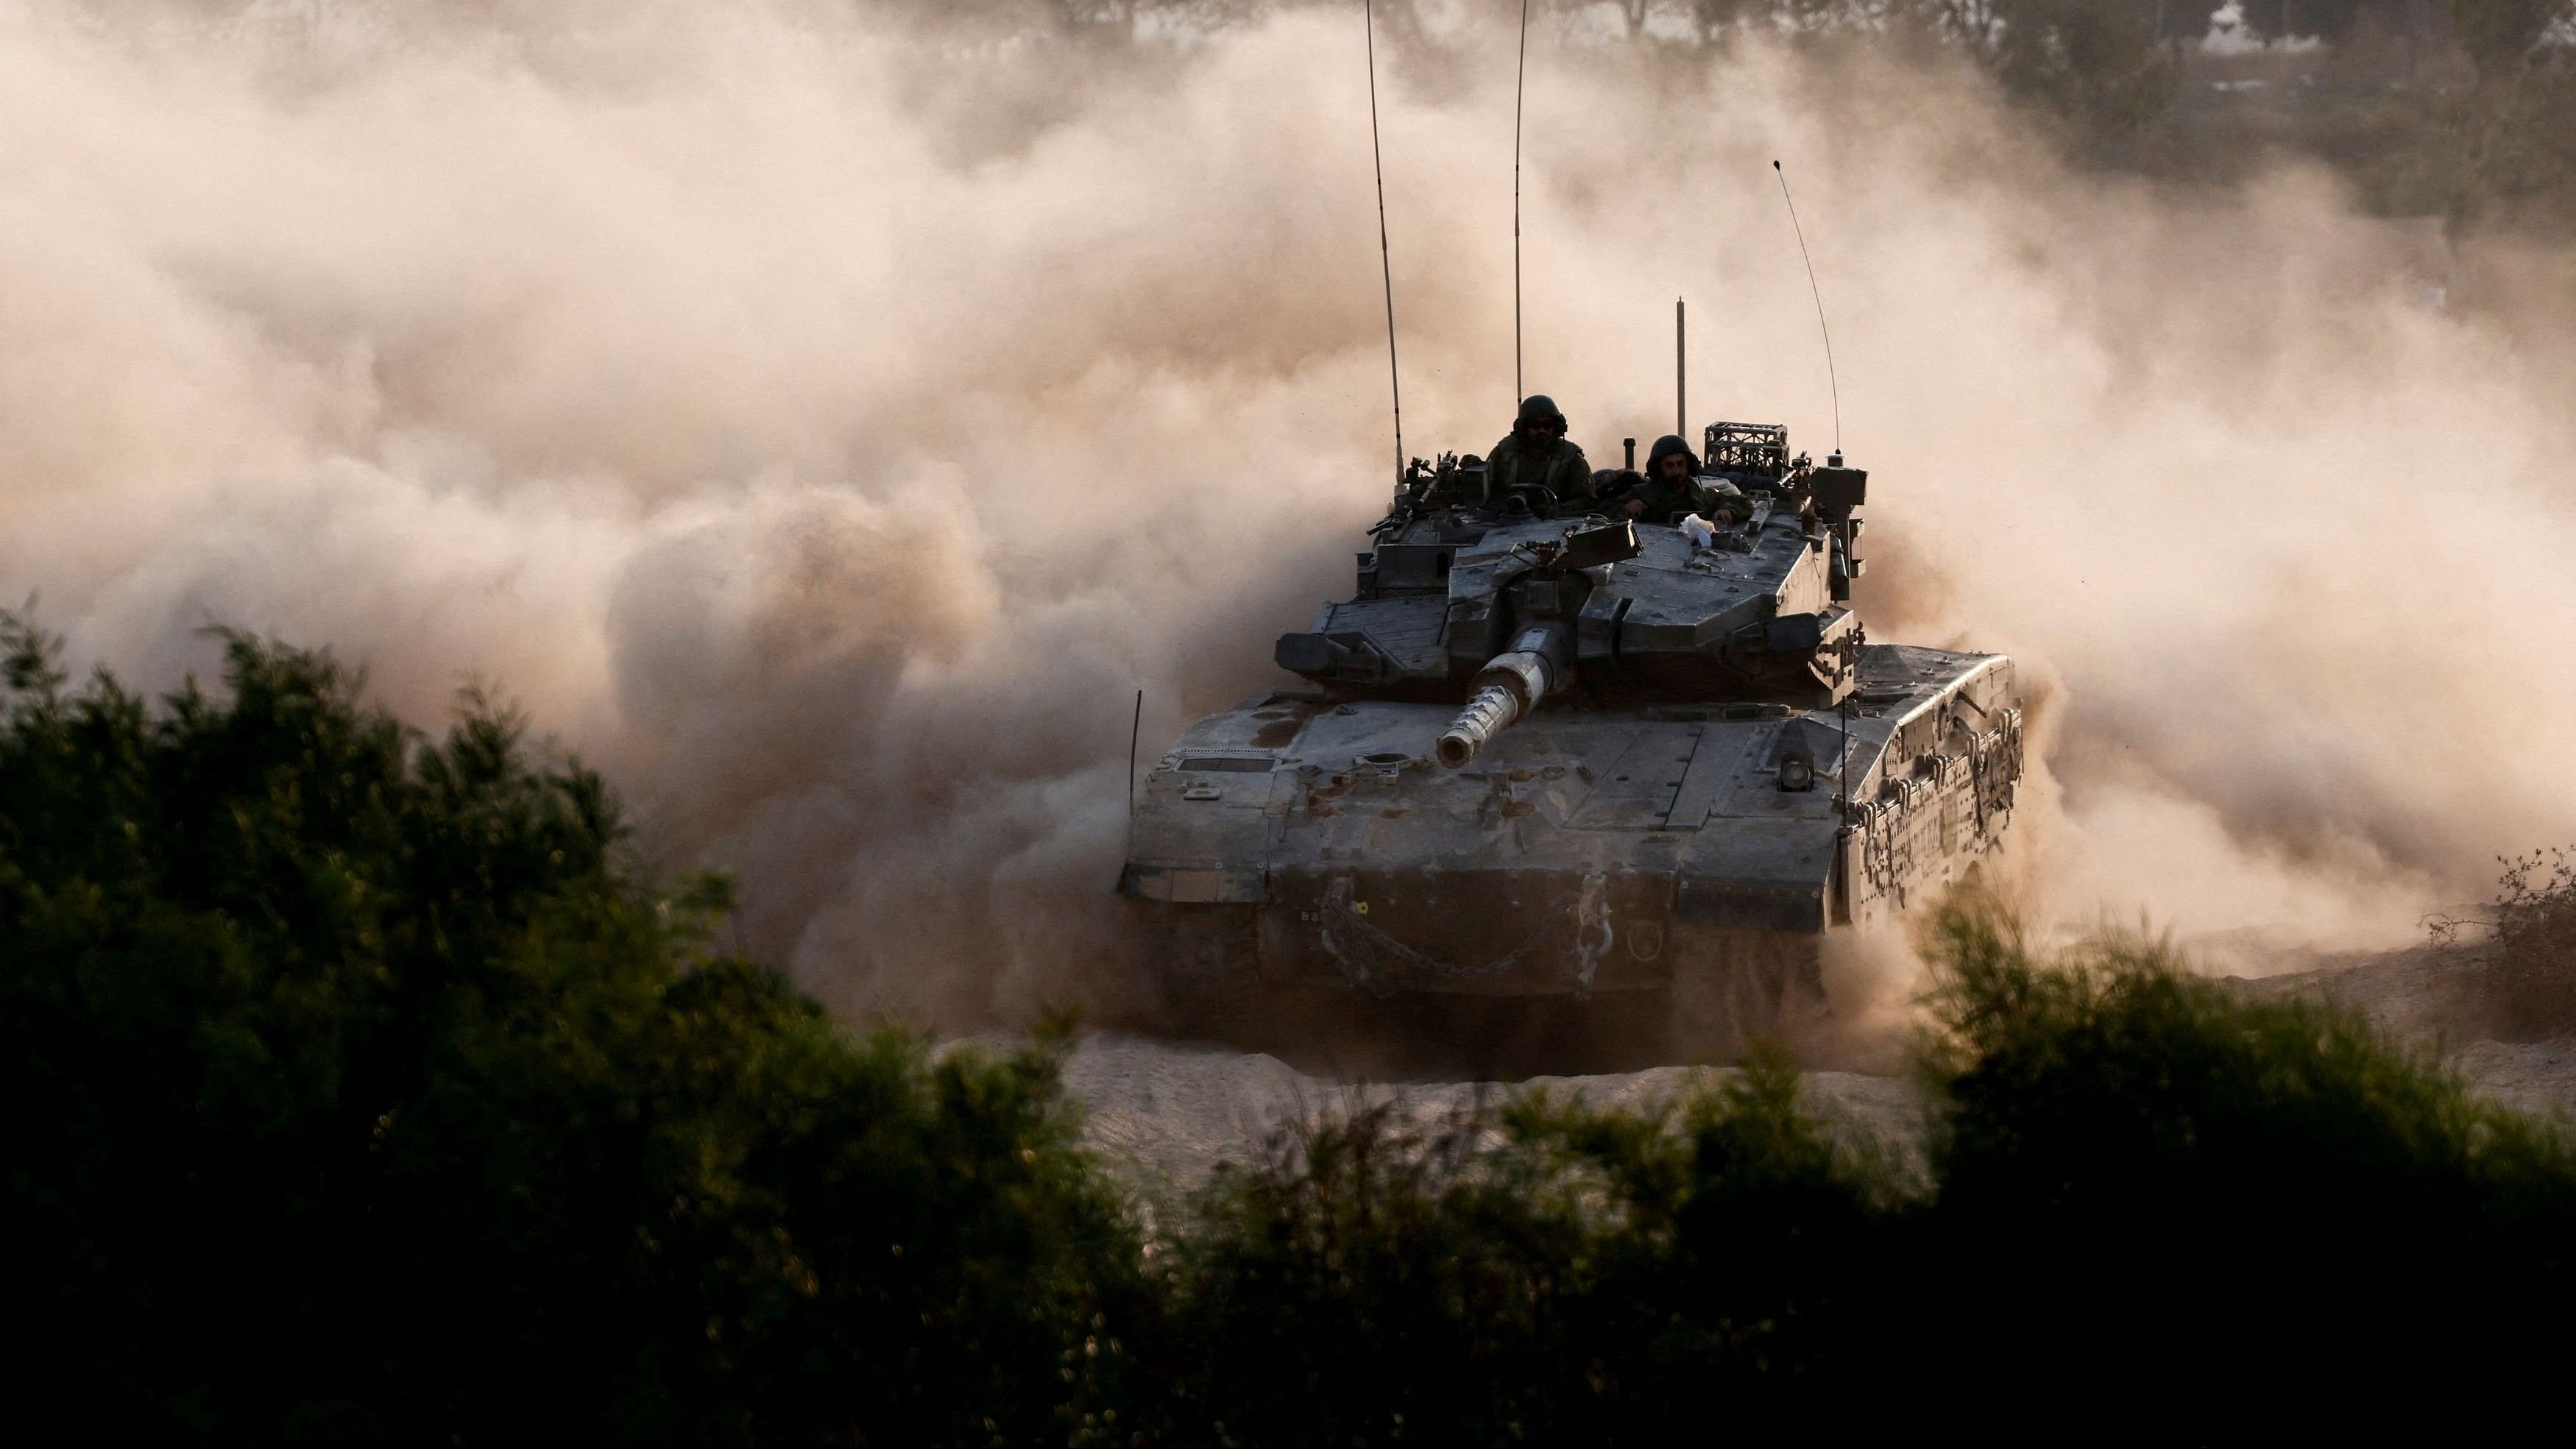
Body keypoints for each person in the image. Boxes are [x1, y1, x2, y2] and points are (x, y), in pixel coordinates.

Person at [1485, 395, 1592, 507]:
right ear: (1524, 427)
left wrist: (1555, 509)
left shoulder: (1570, 456)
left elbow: (1586, 500)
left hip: (1558, 521)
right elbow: (1484, 496)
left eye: (1547, 425)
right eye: (1535, 425)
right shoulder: (1504, 452)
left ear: (1557, 427)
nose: (1542, 430)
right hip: (1508, 520)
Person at [1620, 434, 1724, 523]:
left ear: (1689, 466)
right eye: (1669, 466)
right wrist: (1627, 508)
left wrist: (1726, 510)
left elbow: (1735, 500)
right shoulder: (1642, 494)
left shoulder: (1701, 495)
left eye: (1680, 464)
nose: (1677, 471)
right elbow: (1607, 509)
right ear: (1659, 469)